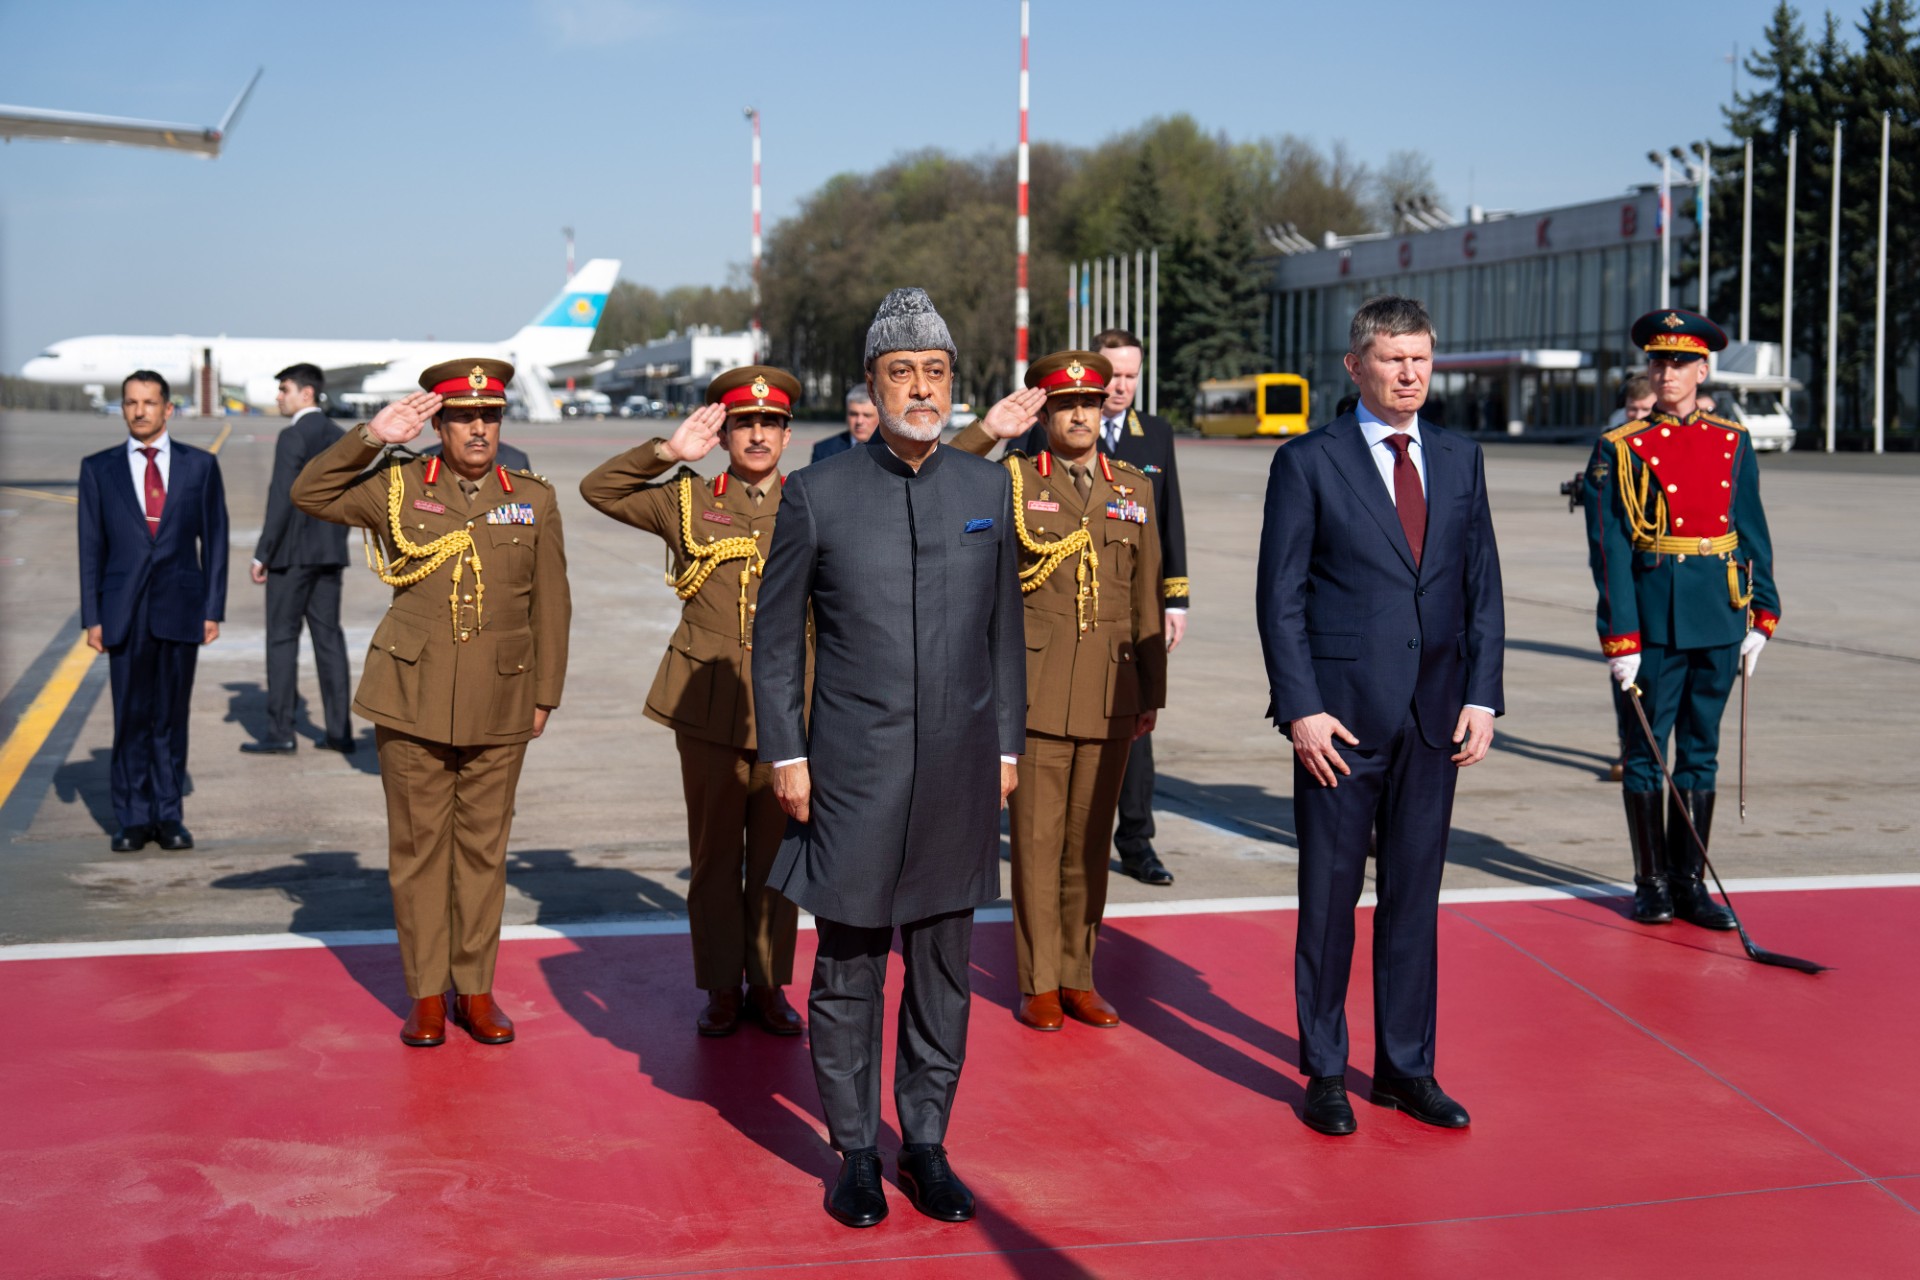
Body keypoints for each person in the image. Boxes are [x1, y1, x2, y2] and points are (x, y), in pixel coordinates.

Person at [753, 287, 1023, 1229]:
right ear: (869, 382)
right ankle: (856, 1152)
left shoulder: (989, 489)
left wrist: (1007, 745)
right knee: (850, 969)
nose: (921, 388)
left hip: (958, 770)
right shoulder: (818, 493)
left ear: (955, 381)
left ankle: (929, 1144)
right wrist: (785, 752)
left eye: (936, 371)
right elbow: (777, 639)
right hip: (854, 773)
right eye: (902, 371)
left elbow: (1004, 634)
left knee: (945, 971)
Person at [1255, 295, 1505, 1137]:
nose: (1410, 374)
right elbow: (1280, 598)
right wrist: (1302, 710)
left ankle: (1405, 1067)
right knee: (1328, 898)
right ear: (1357, 365)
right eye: (1394, 359)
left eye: (1422, 359)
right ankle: (1325, 1067)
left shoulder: (1461, 458)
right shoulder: (1309, 462)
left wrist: (1482, 695)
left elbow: (1482, 591)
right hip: (1340, 724)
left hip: (1434, 718)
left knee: (1413, 901)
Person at [291, 357, 571, 1048]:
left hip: (503, 700)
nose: (478, 428)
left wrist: (545, 696)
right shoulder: (396, 484)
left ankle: (473, 989)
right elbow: (309, 492)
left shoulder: (533, 497)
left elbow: (552, 606)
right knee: (417, 851)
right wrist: (371, 437)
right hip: (411, 696)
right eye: (463, 416)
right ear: (438, 421)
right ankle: (424, 992)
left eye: (489, 415)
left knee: (484, 852)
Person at [578, 365, 806, 1038]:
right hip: (706, 704)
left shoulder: (813, 503)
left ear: (787, 436)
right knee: (712, 858)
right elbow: (600, 490)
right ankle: (720, 988)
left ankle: (767, 985)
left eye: (770, 424)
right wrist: (668, 452)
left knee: (776, 856)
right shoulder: (687, 499)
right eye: (744, 424)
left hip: (789, 709)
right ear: (724, 432)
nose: (757, 435)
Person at [956, 350, 1166, 1030]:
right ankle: (1039, 980)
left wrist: (1150, 692)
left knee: (1089, 845)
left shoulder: (1132, 487)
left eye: (1090, 402)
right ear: (1043, 413)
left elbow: (1146, 596)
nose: (1078, 414)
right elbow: (944, 484)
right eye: (1064, 404)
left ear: (1105, 405)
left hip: (1113, 691)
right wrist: (989, 430)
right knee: (1039, 844)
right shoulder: (1014, 480)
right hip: (1039, 693)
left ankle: (1080, 973)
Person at [1582, 310, 1778, 930]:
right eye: (1657, 361)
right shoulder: (1620, 447)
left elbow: (1751, 528)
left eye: (1678, 362)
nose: (1665, 372)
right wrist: (1621, 635)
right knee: (1645, 752)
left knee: (1701, 753)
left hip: (1719, 613)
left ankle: (1691, 884)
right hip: (1653, 619)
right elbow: (1610, 548)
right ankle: (1651, 883)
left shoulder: (1731, 440)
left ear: (1702, 369)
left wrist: (1764, 612)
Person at [1020, 328, 1188, 886]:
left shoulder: (1152, 438)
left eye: (1130, 376)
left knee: (1133, 749)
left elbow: (1168, 528)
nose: (1121, 386)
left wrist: (1175, 600)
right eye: (1112, 374)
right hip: (1052, 650)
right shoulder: (1030, 461)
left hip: (1119, 640)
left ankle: (1137, 839)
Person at [77, 370, 229, 852]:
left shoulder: (199, 466)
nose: (138, 411)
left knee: (170, 717)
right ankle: (132, 817)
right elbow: (89, 549)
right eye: (130, 403)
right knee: (131, 716)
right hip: (123, 611)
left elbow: (217, 542)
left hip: (180, 607)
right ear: (123, 409)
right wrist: (92, 616)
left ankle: (168, 815)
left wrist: (213, 609)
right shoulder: (98, 468)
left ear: (168, 409)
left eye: (148, 402)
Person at [242, 363, 353, 755]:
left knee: (282, 640)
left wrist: (263, 552)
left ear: (306, 394)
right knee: (329, 640)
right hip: (328, 554)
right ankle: (340, 732)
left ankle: (281, 731)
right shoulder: (341, 437)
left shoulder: (293, 436)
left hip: (291, 557)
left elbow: (282, 499)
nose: (278, 396)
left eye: (284, 389)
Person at [1600, 373, 1657, 781]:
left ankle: (1652, 748)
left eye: (1645, 410)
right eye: (1632, 410)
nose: (1638, 417)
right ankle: (1629, 746)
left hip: (1665, 575)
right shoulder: (1614, 446)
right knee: (1626, 671)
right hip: (1629, 579)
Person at [810, 385, 881, 463]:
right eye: (853, 414)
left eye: (867, 415)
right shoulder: (823, 451)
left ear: (880, 417)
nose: (859, 421)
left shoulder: (893, 450)